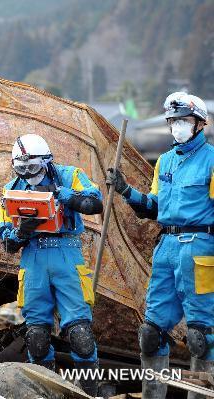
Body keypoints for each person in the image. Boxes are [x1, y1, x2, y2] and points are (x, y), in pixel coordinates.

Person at [107, 92, 213, 399]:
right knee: (150, 334)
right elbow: (153, 206)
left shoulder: (213, 160)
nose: (177, 126)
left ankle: (202, 394)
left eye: (183, 120)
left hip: (200, 249)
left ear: (199, 124)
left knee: (201, 337)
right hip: (166, 247)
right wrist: (126, 191)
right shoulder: (164, 162)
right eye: (173, 121)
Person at [0, 133, 103, 396]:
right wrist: (21, 232)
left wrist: (68, 197)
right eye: (21, 168)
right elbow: (7, 242)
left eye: (32, 167)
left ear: (46, 161)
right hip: (32, 258)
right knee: (36, 336)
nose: (27, 173)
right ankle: (46, 391)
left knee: (80, 334)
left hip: (66, 252)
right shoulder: (12, 189)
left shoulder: (70, 175)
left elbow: (95, 203)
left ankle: (90, 391)